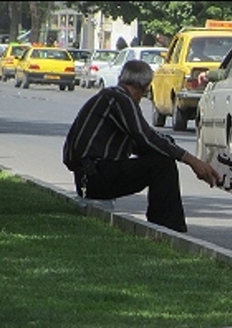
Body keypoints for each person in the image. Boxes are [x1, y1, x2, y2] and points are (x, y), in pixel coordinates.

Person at [62, 59, 220, 233]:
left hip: (89, 176)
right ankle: (169, 229)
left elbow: (144, 143)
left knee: (163, 152)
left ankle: (166, 225)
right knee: (162, 165)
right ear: (144, 87)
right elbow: (146, 136)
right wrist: (192, 161)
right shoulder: (119, 99)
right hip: (93, 178)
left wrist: (169, 146)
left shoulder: (110, 97)